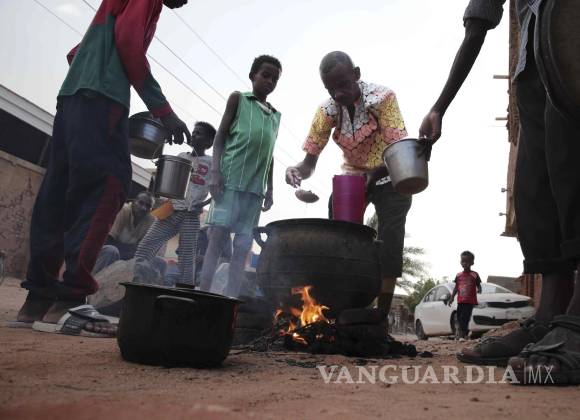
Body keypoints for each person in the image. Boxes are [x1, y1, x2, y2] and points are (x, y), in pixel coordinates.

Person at [420, 0, 580, 383]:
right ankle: (549, 316)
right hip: (533, 65)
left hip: (572, 35)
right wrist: (440, 106)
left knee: (574, 170)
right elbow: (479, 20)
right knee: (535, 187)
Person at [15, 0, 191, 329]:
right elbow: (128, 43)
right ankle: (71, 300)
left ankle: (37, 300)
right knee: (108, 186)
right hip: (103, 100)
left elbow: (76, 53)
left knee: (57, 194)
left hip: (72, 98)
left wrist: (96, 72)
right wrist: (163, 111)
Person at [285, 51, 411, 314]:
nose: (338, 94)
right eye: (330, 89)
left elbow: (400, 150)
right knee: (340, 239)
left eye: (342, 85)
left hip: (389, 173)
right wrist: (295, 171)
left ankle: (381, 314)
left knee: (390, 242)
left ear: (356, 74)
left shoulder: (383, 98)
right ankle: (340, 307)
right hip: (353, 178)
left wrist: (373, 175)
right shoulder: (327, 111)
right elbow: (308, 164)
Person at [198, 55, 282, 298]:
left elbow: (270, 154)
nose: (270, 81)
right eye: (265, 75)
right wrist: (215, 173)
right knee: (217, 239)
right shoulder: (239, 99)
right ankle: (203, 295)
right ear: (253, 76)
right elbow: (219, 138)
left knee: (243, 246)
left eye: (275, 79)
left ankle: (231, 301)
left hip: (255, 191)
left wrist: (270, 188)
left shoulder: (275, 115)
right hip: (229, 182)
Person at [134, 122, 216, 286]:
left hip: (191, 215)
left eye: (199, 133)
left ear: (208, 143)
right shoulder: (182, 156)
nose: (193, 135)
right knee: (146, 246)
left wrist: (204, 204)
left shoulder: (212, 163)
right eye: (193, 132)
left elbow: (218, 190)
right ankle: (136, 278)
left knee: (187, 258)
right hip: (171, 209)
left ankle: (185, 289)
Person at [92, 191, 166, 276]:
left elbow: (145, 249)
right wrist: (133, 250)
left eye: (148, 206)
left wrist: (135, 252)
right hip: (107, 252)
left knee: (160, 262)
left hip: (130, 256)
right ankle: (91, 280)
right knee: (112, 250)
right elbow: (107, 241)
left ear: (151, 209)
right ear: (134, 202)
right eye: (141, 203)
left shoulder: (151, 220)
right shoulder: (123, 210)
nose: (143, 208)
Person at [448, 251, 482, 341]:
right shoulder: (458, 275)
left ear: (472, 262)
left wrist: (479, 289)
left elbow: (479, 285)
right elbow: (456, 287)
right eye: (463, 261)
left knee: (465, 317)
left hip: (470, 301)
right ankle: (464, 333)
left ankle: (463, 335)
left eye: (467, 261)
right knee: (459, 317)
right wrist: (452, 298)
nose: (464, 263)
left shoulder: (474, 274)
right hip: (460, 301)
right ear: (460, 262)